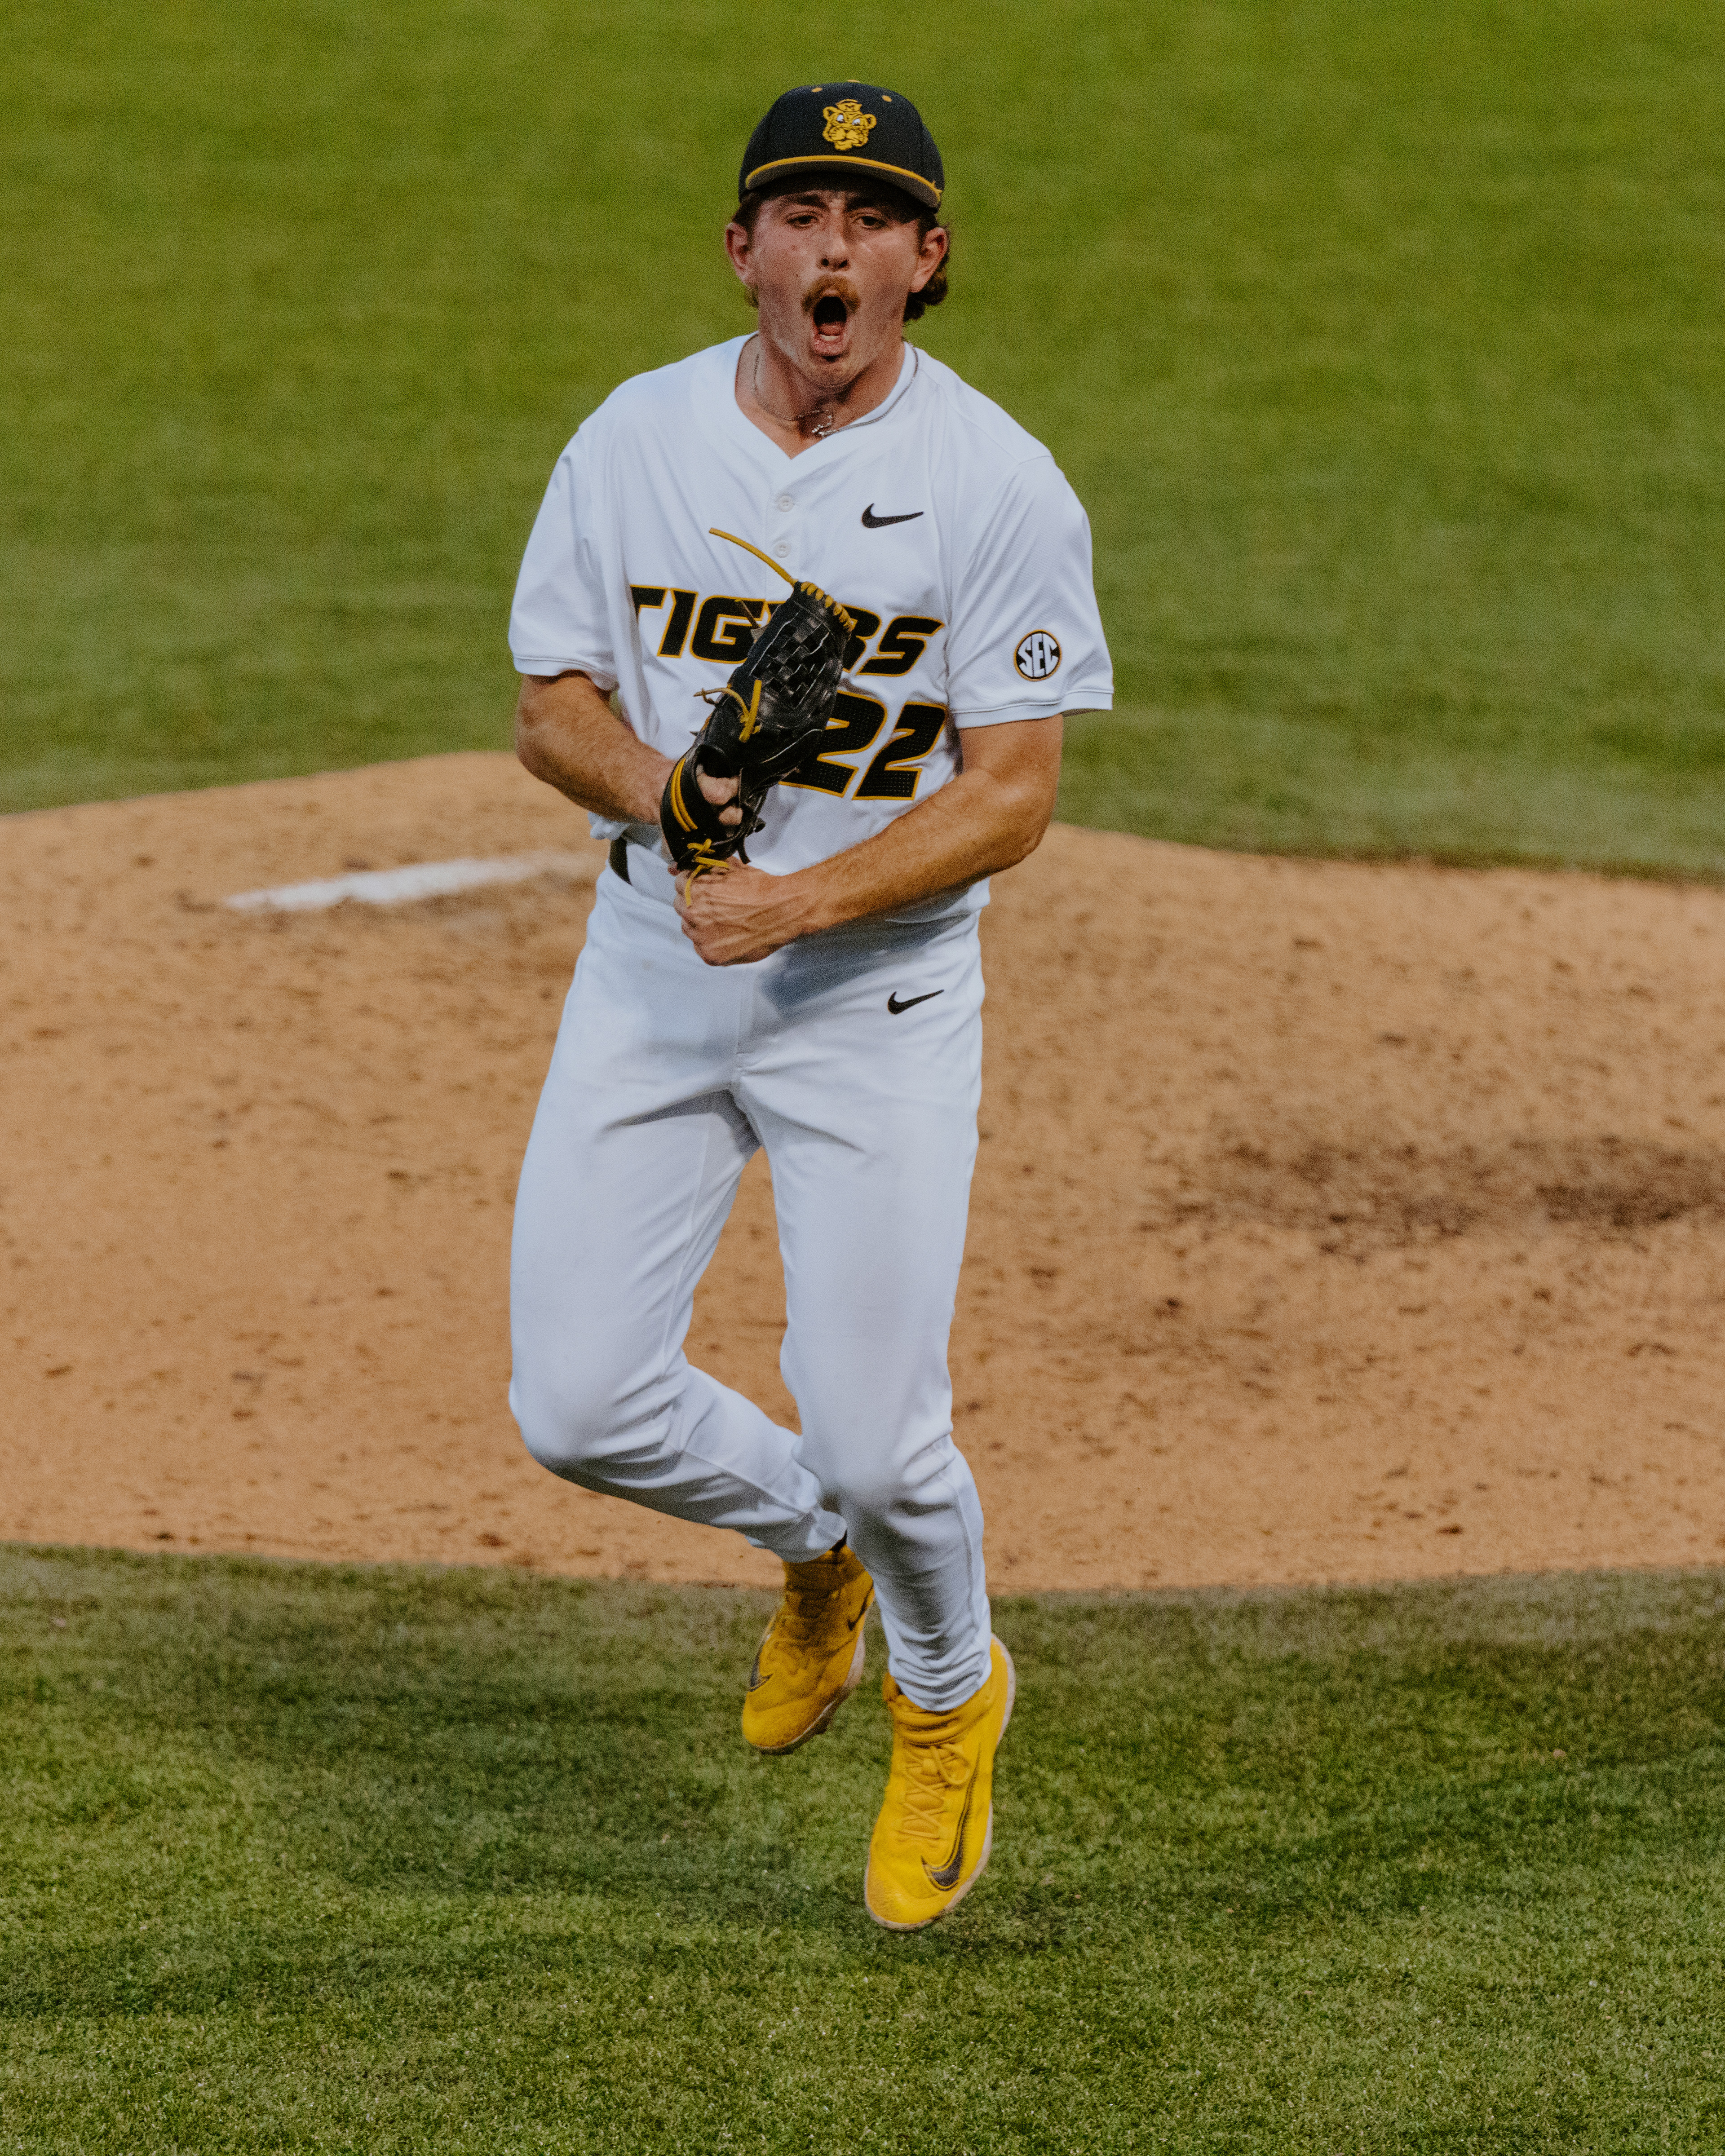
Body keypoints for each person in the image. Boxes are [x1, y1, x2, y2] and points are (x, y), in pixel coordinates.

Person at [507, 81, 1112, 1931]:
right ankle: (815, 1551)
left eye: (870, 217)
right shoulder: (635, 437)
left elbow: (1012, 788)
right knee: (580, 1402)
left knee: (877, 1425)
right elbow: (555, 704)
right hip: (653, 968)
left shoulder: (1000, 482)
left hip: (878, 1001)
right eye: (796, 212)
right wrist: (663, 799)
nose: (828, 247)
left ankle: (951, 1698)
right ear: (743, 249)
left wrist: (802, 897)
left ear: (926, 262)